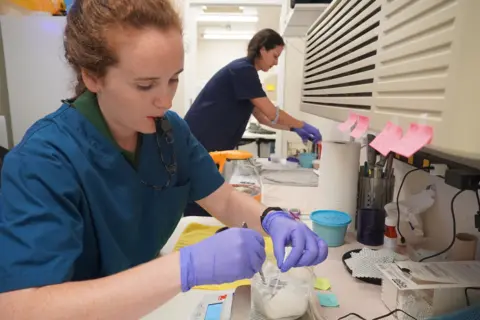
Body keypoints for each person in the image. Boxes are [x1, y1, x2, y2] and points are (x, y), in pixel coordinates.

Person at [0, 0, 328, 318]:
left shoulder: (171, 133)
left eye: (173, 78)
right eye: (145, 85)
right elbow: (20, 309)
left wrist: (273, 219)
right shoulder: (43, 161)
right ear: (93, 77)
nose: (165, 100)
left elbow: (225, 201)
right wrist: (185, 267)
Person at [183, 28, 321, 217]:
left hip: (210, 146)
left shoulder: (247, 74)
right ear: (262, 49)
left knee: (206, 198)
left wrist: (293, 128)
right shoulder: (242, 71)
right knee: (200, 201)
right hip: (201, 142)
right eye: (274, 56)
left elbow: (264, 118)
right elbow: (271, 111)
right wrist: (301, 124)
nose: (276, 62)